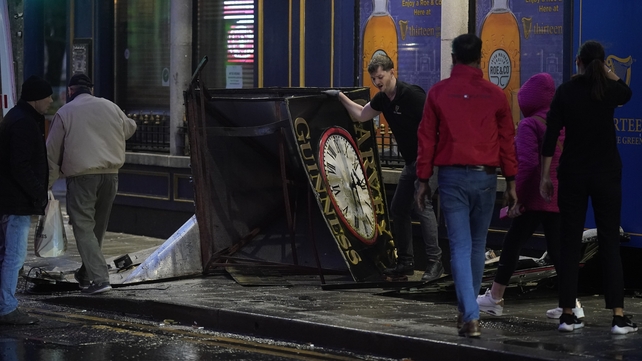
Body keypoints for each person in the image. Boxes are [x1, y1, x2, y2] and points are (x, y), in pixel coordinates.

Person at [415, 33, 518, 338]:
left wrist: (423, 180)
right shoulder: (496, 95)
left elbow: (426, 139)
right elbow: (506, 142)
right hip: (485, 178)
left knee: (460, 246)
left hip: (452, 177)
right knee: (476, 245)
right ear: (480, 58)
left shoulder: (437, 93)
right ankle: (468, 312)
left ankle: (469, 315)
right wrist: (511, 181)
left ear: (453, 58)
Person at [540, 41, 637, 334]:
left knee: (569, 243)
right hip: (607, 173)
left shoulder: (566, 92)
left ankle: (567, 315)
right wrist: (607, 71)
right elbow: (627, 92)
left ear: (578, 61)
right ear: (603, 63)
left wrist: (545, 176)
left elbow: (551, 135)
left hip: (573, 174)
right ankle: (618, 318)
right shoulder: (607, 90)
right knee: (609, 243)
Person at [323, 54, 443, 282]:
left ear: (391, 72)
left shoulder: (412, 95)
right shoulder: (382, 100)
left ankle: (435, 263)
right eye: (374, 78)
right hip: (411, 162)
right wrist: (340, 97)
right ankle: (406, 262)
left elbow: (435, 124)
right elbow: (361, 115)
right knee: (398, 208)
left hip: (429, 158)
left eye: (380, 77)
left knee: (422, 205)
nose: (378, 82)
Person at [476, 73, 586, 319]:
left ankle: (494, 298)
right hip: (560, 196)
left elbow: (526, 166)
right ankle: (572, 304)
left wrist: (518, 198)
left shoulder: (529, 125)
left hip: (535, 197)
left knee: (512, 244)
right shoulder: (564, 121)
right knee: (559, 251)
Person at [47, 73, 137, 295]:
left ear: (70, 91)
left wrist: (46, 185)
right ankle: (86, 273)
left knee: (83, 227)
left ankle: (99, 279)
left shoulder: (65, 112)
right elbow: (130, 128)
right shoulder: (110, 106)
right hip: (111, 175)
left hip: (82, 177)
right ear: (91, 90)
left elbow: (51, 153)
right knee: (97, 227)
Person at [0, 75, 53, 324]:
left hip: (11, 200)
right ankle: (7, 307)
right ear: (36, 99)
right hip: (16, 202)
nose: (51, 101)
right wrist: (38, 192)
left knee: (7, 254)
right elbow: (20, 165)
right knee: (15, 256)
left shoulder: (18, 117)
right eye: (48, 96)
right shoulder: (23, 123)